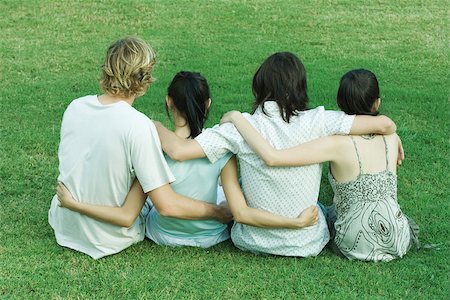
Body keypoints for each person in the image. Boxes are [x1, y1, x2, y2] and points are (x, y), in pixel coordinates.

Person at [154, 52, 399, 257]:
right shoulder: (319, 120)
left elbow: (178, 150)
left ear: (259, 86)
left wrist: (151, 124)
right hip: (307, 241)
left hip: (252, 239)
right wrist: (393, 138)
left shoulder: (240, 128)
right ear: (300, 86)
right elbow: (384, 125)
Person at [56, 71, 320, 249]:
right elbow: (232, 207)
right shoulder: (222, 149)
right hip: (210, 236)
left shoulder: (154, 141)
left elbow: (148, 200)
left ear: (169, 101)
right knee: (223, 189)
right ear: (207, 104)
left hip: (162, 234)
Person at [48, 37, 232, 260]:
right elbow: (165, 206)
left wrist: (72, 204)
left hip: (64, 224)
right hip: (108, 237)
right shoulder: (138, 126)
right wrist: (218, 211)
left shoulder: (75, 106)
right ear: (144, 80)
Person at [220, 69, 419, 262]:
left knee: (321, 209)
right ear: (377, 102)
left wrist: (238, 118)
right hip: (398, 236)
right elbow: (385, 124)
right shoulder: (391, 137)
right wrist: (392, 133)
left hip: (355, 244)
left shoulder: (333, 143)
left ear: (339, 103)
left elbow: (273, 158)